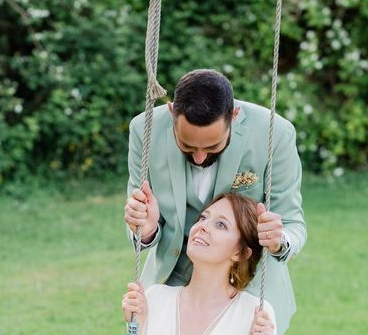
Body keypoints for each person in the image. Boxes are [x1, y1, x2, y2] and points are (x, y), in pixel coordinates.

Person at [124, 69, 306, 335]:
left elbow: (293, 223)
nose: (198, 158)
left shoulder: (274, 134)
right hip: (168, 282)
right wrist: (147, 228)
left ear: (233, 116)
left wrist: (278, 239)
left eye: (212, 147)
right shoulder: (145, 129)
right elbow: (140, 218)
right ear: (173, 112)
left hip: (247, 287)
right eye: (186, 146)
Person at [122, 193, 276, 335]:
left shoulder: (255, 313)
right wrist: (136, 326)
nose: (202, 226)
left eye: (221, 224)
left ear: (240, 253)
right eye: (203, 218)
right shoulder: (154, 298)